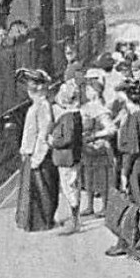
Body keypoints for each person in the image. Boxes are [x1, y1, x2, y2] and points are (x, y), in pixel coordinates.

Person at [106, 78, 140, 263]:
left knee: (136, 205)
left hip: (136, 168)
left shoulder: (134, 118)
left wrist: (123, 174)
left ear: (126, 97)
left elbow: (131, 150)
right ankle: (138, 243)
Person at [14, 69, 60, 233]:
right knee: (35, 190)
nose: (29, 90)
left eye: (32, 86)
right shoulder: (37, 105)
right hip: (31, 154)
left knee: (42, 190)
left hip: (38, 156)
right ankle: (35, 223)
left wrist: (37, 158)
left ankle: (43, 222)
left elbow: (44, 133)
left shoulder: (42, 106)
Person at [48, 80, 84, 234]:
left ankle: (74, 222)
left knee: (69, 187)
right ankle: (74, 219)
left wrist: (53, 142)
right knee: (71, 186)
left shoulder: (68, 116)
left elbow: (67, 138)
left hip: (66, 157)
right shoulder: (74, 114)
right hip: (70, 157)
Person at [78, 72, 115, 217]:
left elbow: (111, 129)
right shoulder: (86, 107)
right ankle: (89, 206)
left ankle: (105, 206)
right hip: (87, 148)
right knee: (88, 178)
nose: (86, 92)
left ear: (96, 91)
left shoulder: (100, 109)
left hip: (100, 148)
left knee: (102, 179)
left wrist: (95, 135)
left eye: (88, 89)